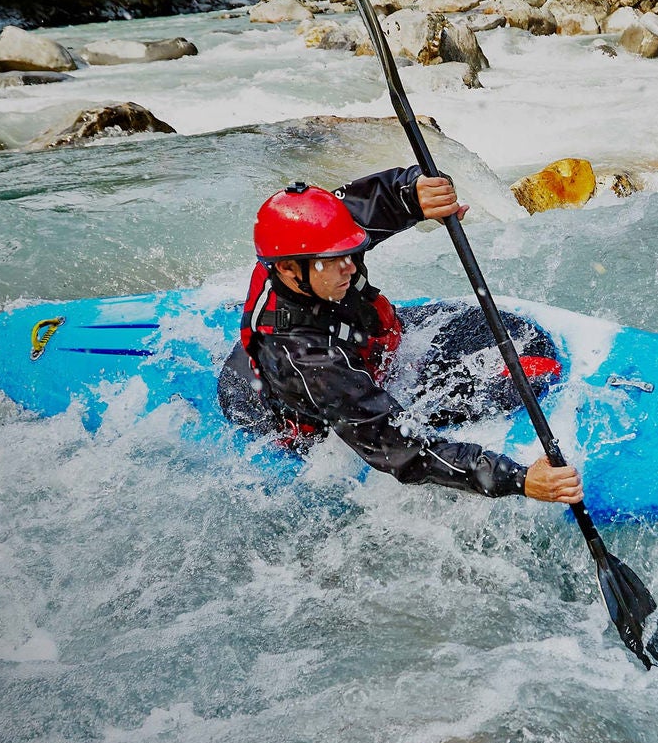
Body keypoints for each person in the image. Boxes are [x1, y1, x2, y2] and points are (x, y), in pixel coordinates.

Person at [219, 167, 583, 504]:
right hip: (310, 411)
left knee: (516, 346)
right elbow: (403, 448)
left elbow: (371, 203)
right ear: (286, 269)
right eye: (336, 260)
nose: (351, 264)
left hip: (354, 343)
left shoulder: (310, 247)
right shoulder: (306, 360)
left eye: (352, 252)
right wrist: (517, 479)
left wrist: (415, 193)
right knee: (506, 385)